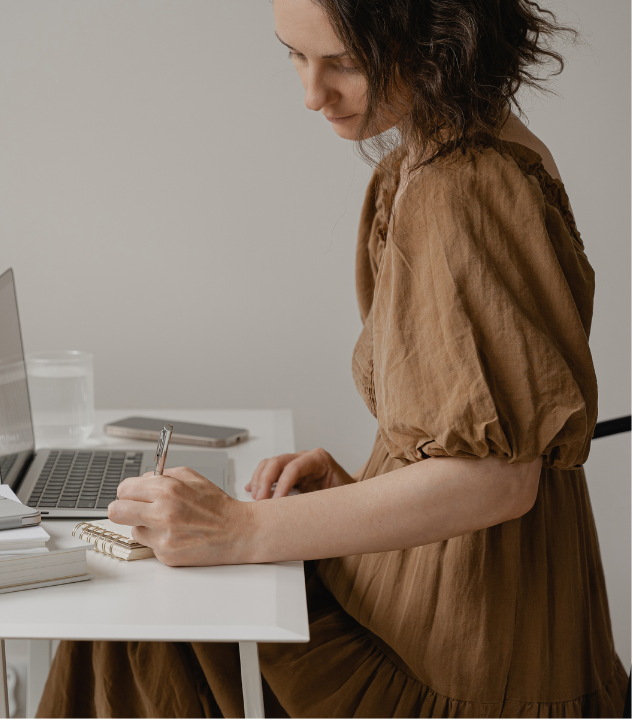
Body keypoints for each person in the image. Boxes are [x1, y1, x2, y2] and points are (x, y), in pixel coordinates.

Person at [38, 0, 628, 716]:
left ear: (434, 38)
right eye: (293, 53)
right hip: (440, 603)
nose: (312, 94)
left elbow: (498, 483)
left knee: (131, 631)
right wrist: (365, 485)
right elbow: (476, 426)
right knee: (145, 612)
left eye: (343, 62)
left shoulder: (461, 185)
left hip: (467, 649)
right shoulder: (441, 151)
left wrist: (240, 528)